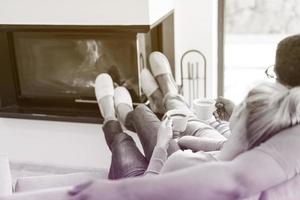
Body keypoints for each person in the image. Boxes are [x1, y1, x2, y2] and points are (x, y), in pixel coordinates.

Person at [67, 34, 300, 200]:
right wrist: (228, 125)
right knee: (181, 117)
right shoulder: (286, 118)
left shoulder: (184, 163)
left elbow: (149, 187)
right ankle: (166, 95)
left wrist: (161, 146)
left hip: (182, 165)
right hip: (215, 149)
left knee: (128, 137)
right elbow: (235, 149)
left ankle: (113, 119)